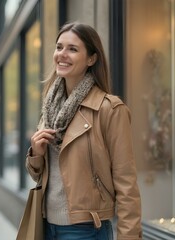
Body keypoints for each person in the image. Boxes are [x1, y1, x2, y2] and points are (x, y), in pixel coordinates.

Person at [26, 22, 142, 240]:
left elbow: (127, 185)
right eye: (59, 47)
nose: (62, 54)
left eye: (73, 49)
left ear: (91, 59)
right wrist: (36, 155)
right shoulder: (50, 106)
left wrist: (129, 236)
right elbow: (41, 175)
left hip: (86, 230)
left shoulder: (109, 109)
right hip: (46, 226)